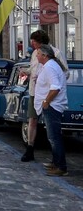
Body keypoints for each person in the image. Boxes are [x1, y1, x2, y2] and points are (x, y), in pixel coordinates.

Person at [21, 30, 68, 162]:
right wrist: (26, 72)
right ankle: (30, 149)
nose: (32, 46)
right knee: (32, 120)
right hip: (34, 91)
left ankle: (56, 159)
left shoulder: (56, 53)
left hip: (49, 94)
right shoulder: (35, 54)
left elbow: (64, 73)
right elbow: (33, 69)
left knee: (51, 126)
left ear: (40, 42)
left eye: (34, 42)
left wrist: (49, 83)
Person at [34, 44, 69, 176]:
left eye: (38, 54)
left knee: (54, 137)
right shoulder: (49, 66)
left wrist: (46, 101)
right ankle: (55, 162)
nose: (36, 56)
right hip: (52, 105)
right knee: (52, 136)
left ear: (44, 55)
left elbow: (55, 87)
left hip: (53, 106)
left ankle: (61, 166)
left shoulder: (50, 67)